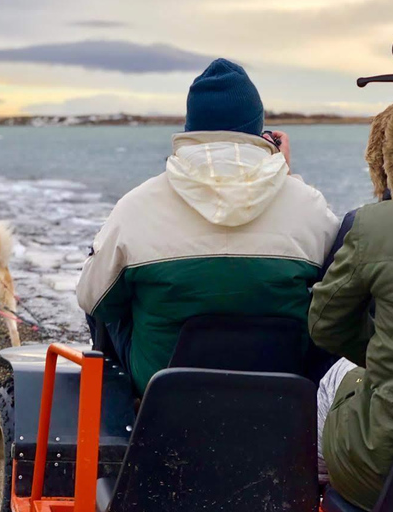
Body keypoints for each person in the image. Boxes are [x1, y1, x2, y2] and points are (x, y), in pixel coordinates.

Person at [76, 58, 339, 394]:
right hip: (280, 388)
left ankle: (126, 408)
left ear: (191, 129)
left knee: (106, 291)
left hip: (165, 392)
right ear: (260, 132)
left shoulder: (137, 206)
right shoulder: (309, 206)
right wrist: (285, 177)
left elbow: (91, 299)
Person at [310, 88, 393, 510]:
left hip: (382, 470)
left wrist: (383, 353)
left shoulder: (373, 225)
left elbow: (325, 324)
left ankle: (315, 487)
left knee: (333, 378)